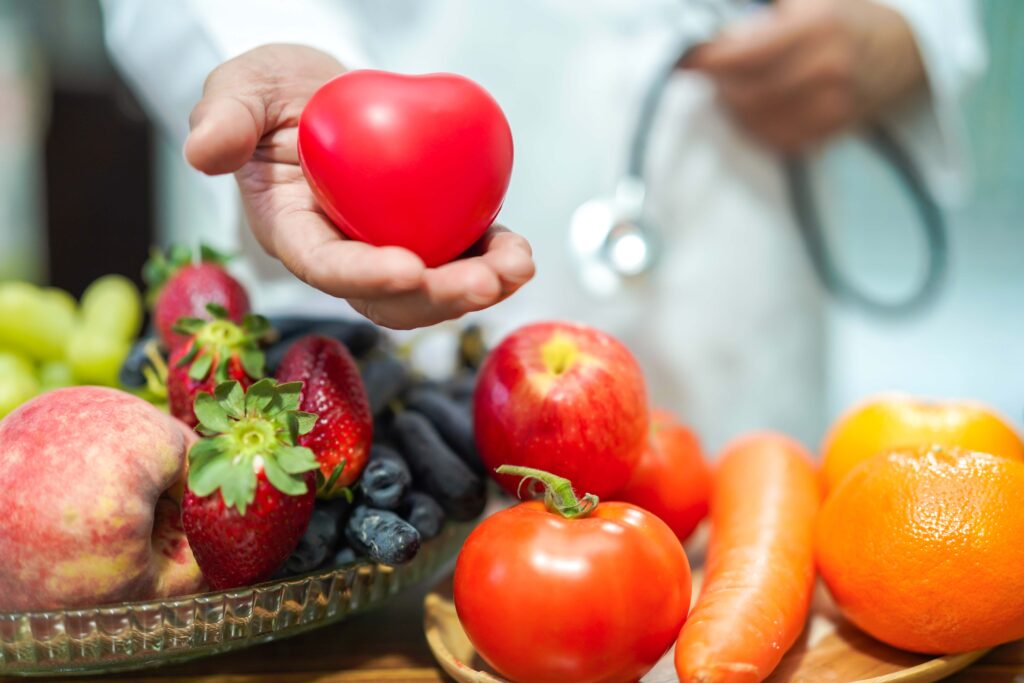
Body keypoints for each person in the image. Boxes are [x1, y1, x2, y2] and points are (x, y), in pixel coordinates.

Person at [100, 0, 984, 451]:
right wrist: (267, 47)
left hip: (739, 199)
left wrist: (905, 26)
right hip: (367, 146)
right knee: (416, 561)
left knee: (759, 554)